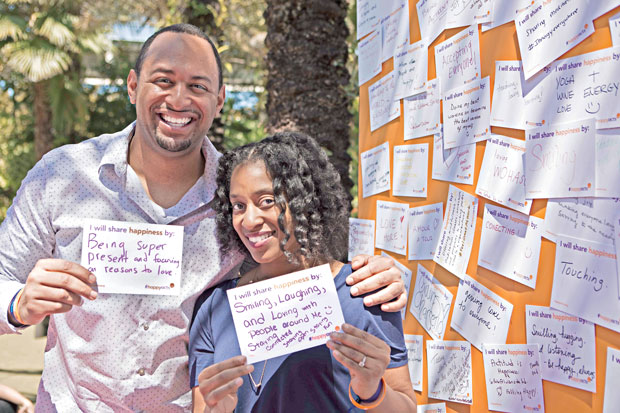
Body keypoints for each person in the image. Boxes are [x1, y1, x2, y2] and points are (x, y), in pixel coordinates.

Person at [0, 24, 406, 411]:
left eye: (197, 86)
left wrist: (374, 272)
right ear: (132, 86)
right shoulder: (61, 175)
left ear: (220, 99)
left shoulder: (239, 195)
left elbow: (304, 257)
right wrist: (18, 305)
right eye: (163, 80)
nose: (178, 99)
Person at [190, 131, 417, 412]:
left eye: (267, 201)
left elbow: (405, 405)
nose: (249, 220)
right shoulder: (214, 308)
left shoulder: (363, 291)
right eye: (238, 205)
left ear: (304, 201)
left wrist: (372, 390)